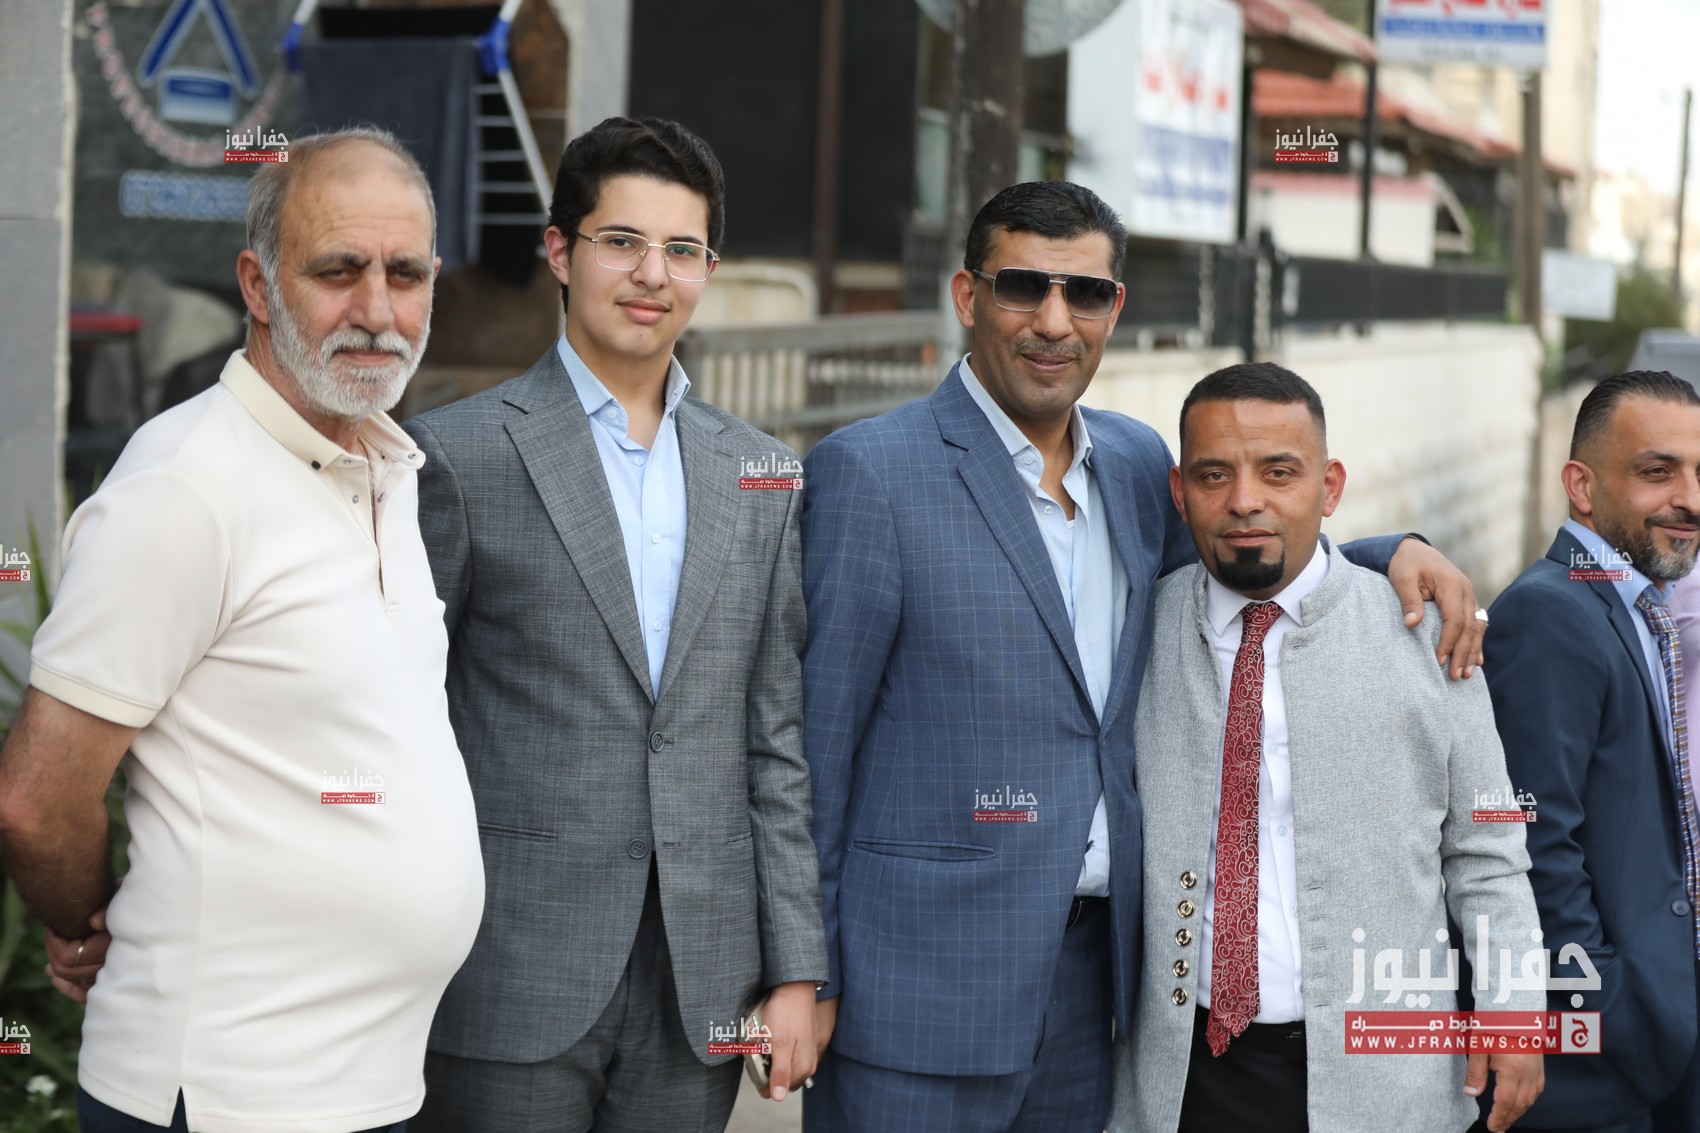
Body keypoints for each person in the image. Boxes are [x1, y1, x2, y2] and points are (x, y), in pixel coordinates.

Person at [799, 180, 1489, 1133]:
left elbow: (1241, 558)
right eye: (1023, 286)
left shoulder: (1131, 463)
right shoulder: (869, 471)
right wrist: (805, 975)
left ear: (1114, 308)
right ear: (967, 296)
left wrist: (1385, 554)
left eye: (1084, 293)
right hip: (916, 994)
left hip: (1098, 1000)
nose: (1054, 321)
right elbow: (813, 752)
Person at [0, 128, 483, 1132]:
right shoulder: (186, 486)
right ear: (258, 286)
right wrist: (85, 926)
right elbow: (36, 803)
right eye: (338, 271)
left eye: (404, 274)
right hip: (222, 1093)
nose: (377, 311)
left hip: (361, 1084)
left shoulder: (386, 466)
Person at [403, 116, 827, 1133]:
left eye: (682, 249)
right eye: (621, 241)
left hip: (699, 982)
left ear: (709, 269)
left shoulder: (760, 472)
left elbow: (773, 739)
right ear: (559, 251)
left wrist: (794, 969)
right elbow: (403, 720)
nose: (651, 274)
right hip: (507, 968)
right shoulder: (456, 456)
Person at [1109, 363, 1544, 1133]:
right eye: (1214, 474)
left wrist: (1513, 1009)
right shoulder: (1134, 634)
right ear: (1180, 492)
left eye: (1279, 472)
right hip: (1183, 1082)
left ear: (1330, 486)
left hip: (1386, 1084)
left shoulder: (1429, 636)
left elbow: (1489, 851)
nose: (1245, 499)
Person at [1483, 370, 1700, 1133]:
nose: (1690, 498)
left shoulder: (1632, 600)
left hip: (1654, 1032)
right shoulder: (1551, 611)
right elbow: (1528, 839)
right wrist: (1610, 1007)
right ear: (1581, 485)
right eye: (1657, 471)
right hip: (1597, 1066)